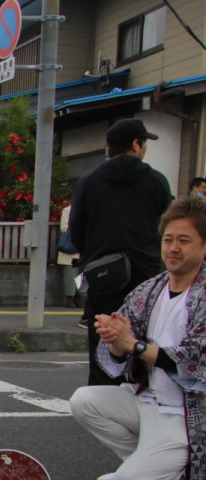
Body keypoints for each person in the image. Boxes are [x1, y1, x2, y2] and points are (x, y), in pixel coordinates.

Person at [70, 196, 206, 480]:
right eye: (168, 239)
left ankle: (188, 466)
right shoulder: (150, 289)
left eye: (184, 240)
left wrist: (134, 344)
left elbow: (195, 359)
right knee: (84, 400)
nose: (173, 248)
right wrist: (113, 337)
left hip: (188, 415)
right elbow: (122, 351)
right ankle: (146, 462)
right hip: (148, 400)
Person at [71, 119, 172, 385]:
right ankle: (141, 394)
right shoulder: (156, 181)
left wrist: (93, 256)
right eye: (144, 142)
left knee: (103, 335)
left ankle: (103, 397)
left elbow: (76, 231)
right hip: (146, 276)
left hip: (103, 274)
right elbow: (165, 228)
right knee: (143, 336)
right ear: (136, 145)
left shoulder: (88, 182)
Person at [57, 203, 83, 311]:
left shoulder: (89, 208)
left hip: (84, 247)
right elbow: (64, 227)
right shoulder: (67, 210)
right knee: (70, 274)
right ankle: (70, 298)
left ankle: (80, 297)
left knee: (83, 273)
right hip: (71, 246)